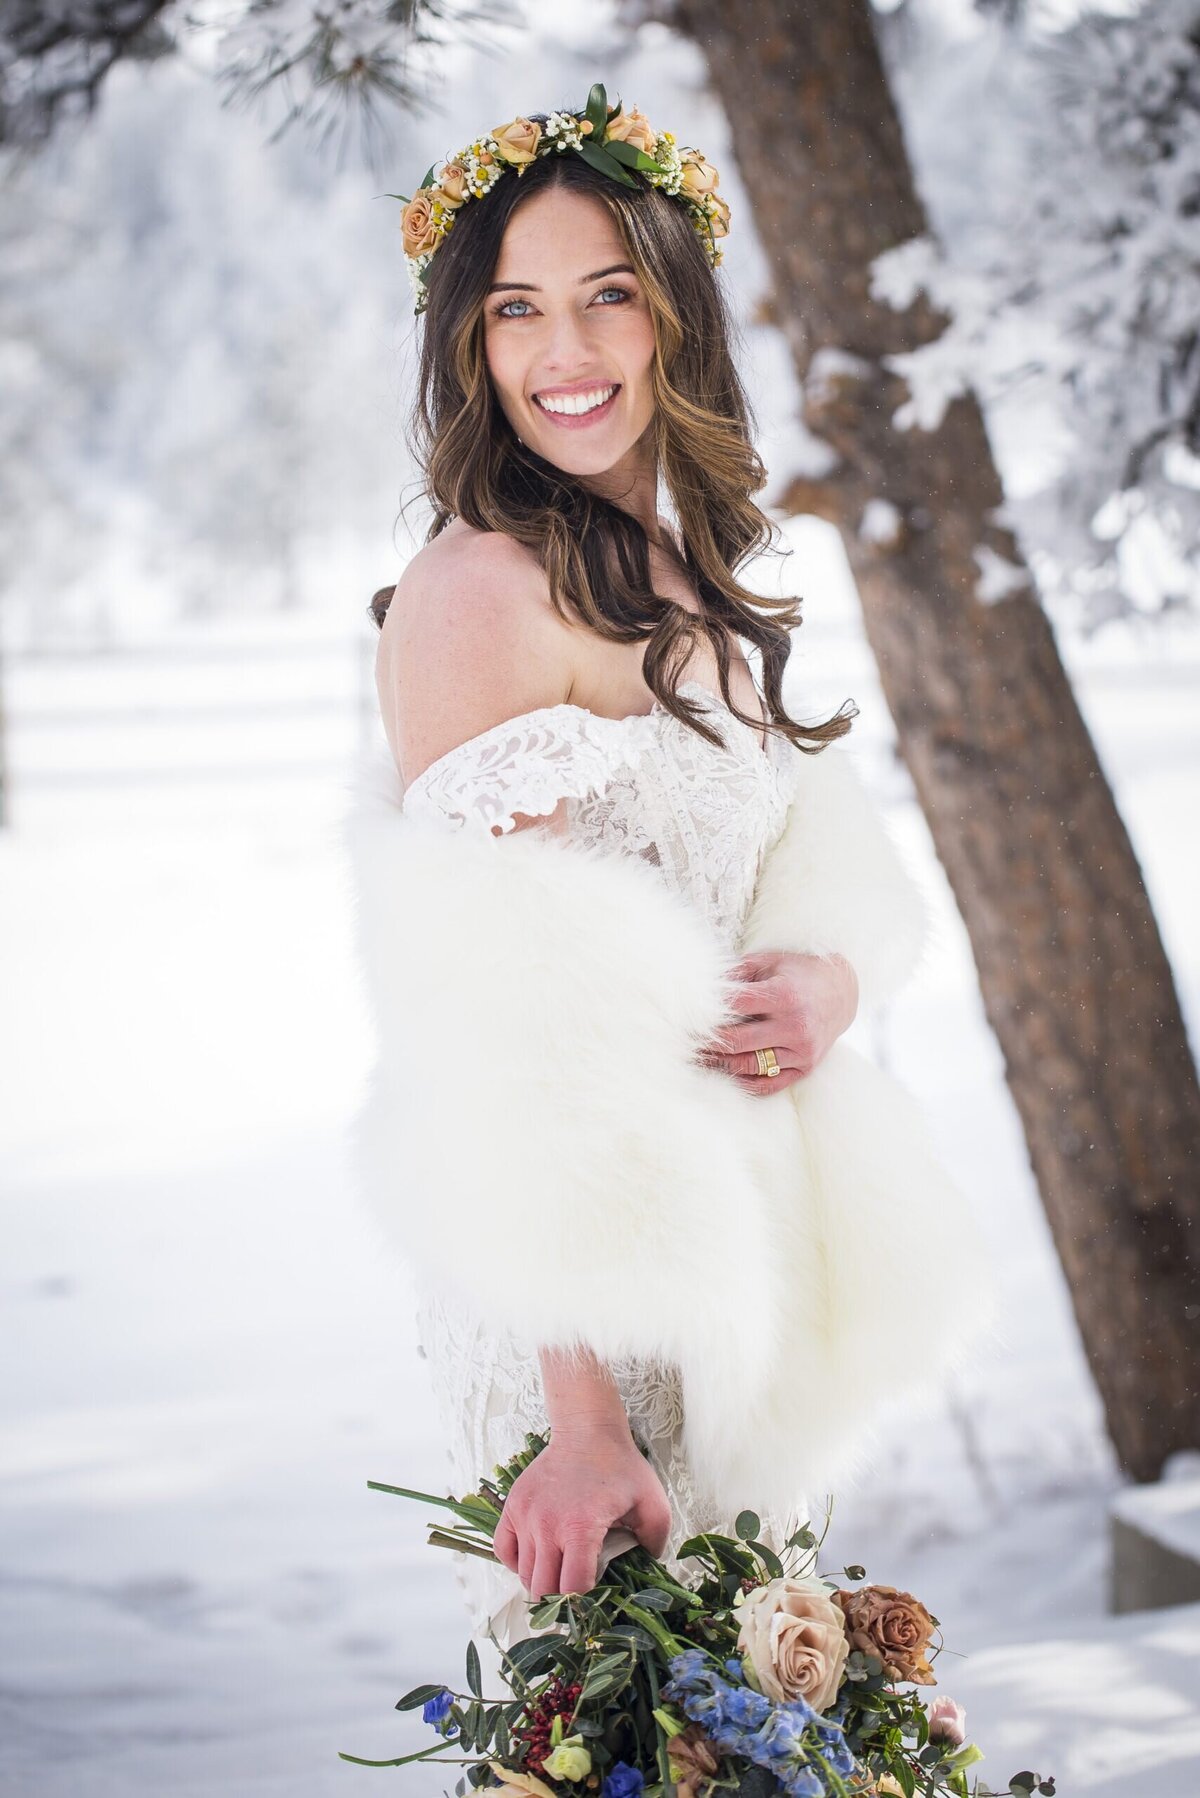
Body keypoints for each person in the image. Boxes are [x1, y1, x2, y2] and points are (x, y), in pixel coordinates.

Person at [349, 91, 989, 1672]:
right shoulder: (474, 594)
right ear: (471, 348)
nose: (562, 351)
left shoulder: (689, 571)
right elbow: (499, 1014)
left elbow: (802, 844)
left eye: (605, 295)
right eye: (515, 310)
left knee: (764, 1718)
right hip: (583, 1296)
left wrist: (831, 972)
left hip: (742, 1271)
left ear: (673, 316)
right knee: (626, 1730)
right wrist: (579, 1422)